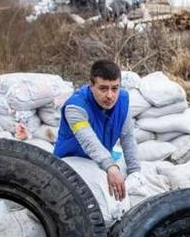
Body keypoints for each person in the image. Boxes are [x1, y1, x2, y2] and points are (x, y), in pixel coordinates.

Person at [53, 60, 140, 200]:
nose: (110, 95)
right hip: (72, 163)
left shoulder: (123, 100)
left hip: (99, 163)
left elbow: (128, 137)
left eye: (115, 88)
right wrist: (111, 167)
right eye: (103, 88)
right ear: (91, 85)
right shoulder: (75, 107)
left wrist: (135, 172)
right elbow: (89, 141)